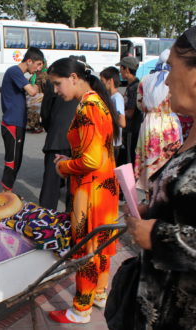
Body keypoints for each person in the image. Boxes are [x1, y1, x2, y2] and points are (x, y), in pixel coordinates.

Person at [121, 27, 196, 329]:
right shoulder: (187, 132)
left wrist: (157, 236)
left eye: (171, 69)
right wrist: (154, 211)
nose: (165, 80)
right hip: (158, 300)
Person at [47, 57, 120, 324]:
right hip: (105, 187)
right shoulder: (98, 103)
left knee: (87, 247)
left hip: (90, 190)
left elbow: (89, 160)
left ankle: (80, 309)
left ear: (74, 78)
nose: (56, 90)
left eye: (57, 83)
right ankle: (99, 293)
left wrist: (62, 165)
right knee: (101, 243)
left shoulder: (88, 107)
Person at [134, 49, 182, 194]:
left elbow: (140, 104)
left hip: (149, 124)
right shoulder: (175, 78)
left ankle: (148, 194)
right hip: (169, 123)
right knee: (167, 162)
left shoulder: (145, 80)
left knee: (149, 162)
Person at [0, 47, 44, 191]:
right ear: (29, 61)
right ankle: (5, 195)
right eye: (37, 65)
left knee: (17, 160)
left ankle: (8, 193)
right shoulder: (14, 71)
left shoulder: (19, 75)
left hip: (17, 123)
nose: (38, 69)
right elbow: (32, 91)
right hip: (11, 123)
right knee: (12, 161)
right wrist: (37, 82)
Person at [39, 79, 77, 211]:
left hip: (57, 138)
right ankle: (70, 222)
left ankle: (45, 220)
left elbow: (45, 112)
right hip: (76, 140)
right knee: (74, 187)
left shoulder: (54, 81)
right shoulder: (82, 83)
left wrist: (52, 129)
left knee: (50, 185)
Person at [116, 56, 143, 167]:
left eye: (121, 68)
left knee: (129, 160)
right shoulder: (132, 85)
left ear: (127, 69)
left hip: (132, 129)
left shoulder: (134, 88)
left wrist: (116, 114)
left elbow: (131, 112)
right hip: (131, 129)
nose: (120, 71)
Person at [100, 66, 126, 161]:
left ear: (110, 81)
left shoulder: (116, 98)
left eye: (102, 81)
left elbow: (122, 122)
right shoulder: (111, 97)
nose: (101, 84)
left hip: (113, 143)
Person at [26, 60, 47, 133]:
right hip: (33, 96)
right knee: (31, 111)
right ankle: (33, 126)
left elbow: (45, 86)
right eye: (38, 64)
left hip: (40, 96)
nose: (39, 66)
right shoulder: (35, 74)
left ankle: (39, 127)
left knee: (37, 112)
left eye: (41, 64)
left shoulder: (45, 74)